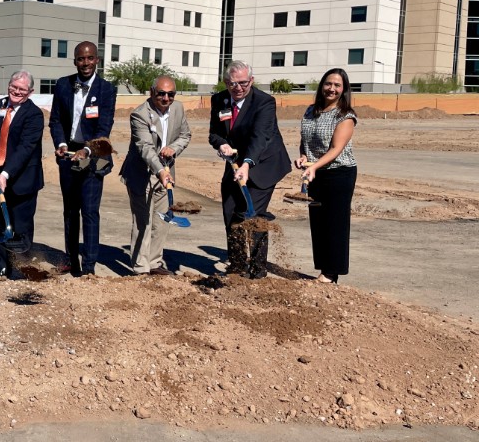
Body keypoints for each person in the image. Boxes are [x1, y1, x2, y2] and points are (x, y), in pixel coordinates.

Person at [208, 60, 292, 278]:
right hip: (235, 163)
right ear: (226, 82)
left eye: (243, 83)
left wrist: (247, 164)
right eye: (233, 83)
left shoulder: (264, 102)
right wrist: (221, 144)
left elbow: (260, 137)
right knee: (230, 210)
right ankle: (236, 267)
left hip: (263, 163)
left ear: (251, 81)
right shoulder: (219, 100)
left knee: (252, 214)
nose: (238, 88)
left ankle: (257, 270)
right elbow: (214, 133)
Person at [48, 41, 117, 277]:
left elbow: (104, 126)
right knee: (70, 210)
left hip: (94, 154)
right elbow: (56, 120)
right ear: (75, 61)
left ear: (97, 60)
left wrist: (87, 151)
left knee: (89, 210)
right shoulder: (63, 85)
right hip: (69, 153)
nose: (85, 63)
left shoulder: (106, 89)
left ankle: (88, 266)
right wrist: (62, 144)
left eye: (89, 58)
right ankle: (70, 260)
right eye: (80, 59)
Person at [119, 76, 192, 275]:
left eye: (171, 94)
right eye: (161, 93)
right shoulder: (139, 115)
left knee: (162, 221)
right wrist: (160, 170)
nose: (166, 98)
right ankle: (140, 268)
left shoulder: (177, 109)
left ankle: (154, 263)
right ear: (152, 93)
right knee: (143, 221)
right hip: (141, 173)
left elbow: (185, 135)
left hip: (166, 173)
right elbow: (145, 148)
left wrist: (173, 149)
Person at [295, 68, 358, 284]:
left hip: (339, 173)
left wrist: (314, 166)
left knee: (335, 223)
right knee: (318, 222)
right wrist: (303, 157)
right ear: (322, 85)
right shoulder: (310, 111)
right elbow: (305, 140)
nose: (332, 88)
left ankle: (332, 273)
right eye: (328, 84)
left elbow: (335, 149)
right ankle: (323, 268)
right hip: (315, 172)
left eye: (337, 85)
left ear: (344, 90)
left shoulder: (345, 116)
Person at [0, 71, 44, 278]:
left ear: (30, 92)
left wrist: (6, 174)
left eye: (22, 89)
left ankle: (20, 269)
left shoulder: (34, 114)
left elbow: (26, 148)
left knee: (20, 227)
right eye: (13, 87)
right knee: (1, 225)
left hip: (23, 179)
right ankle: (3, 266)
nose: (16, 92)